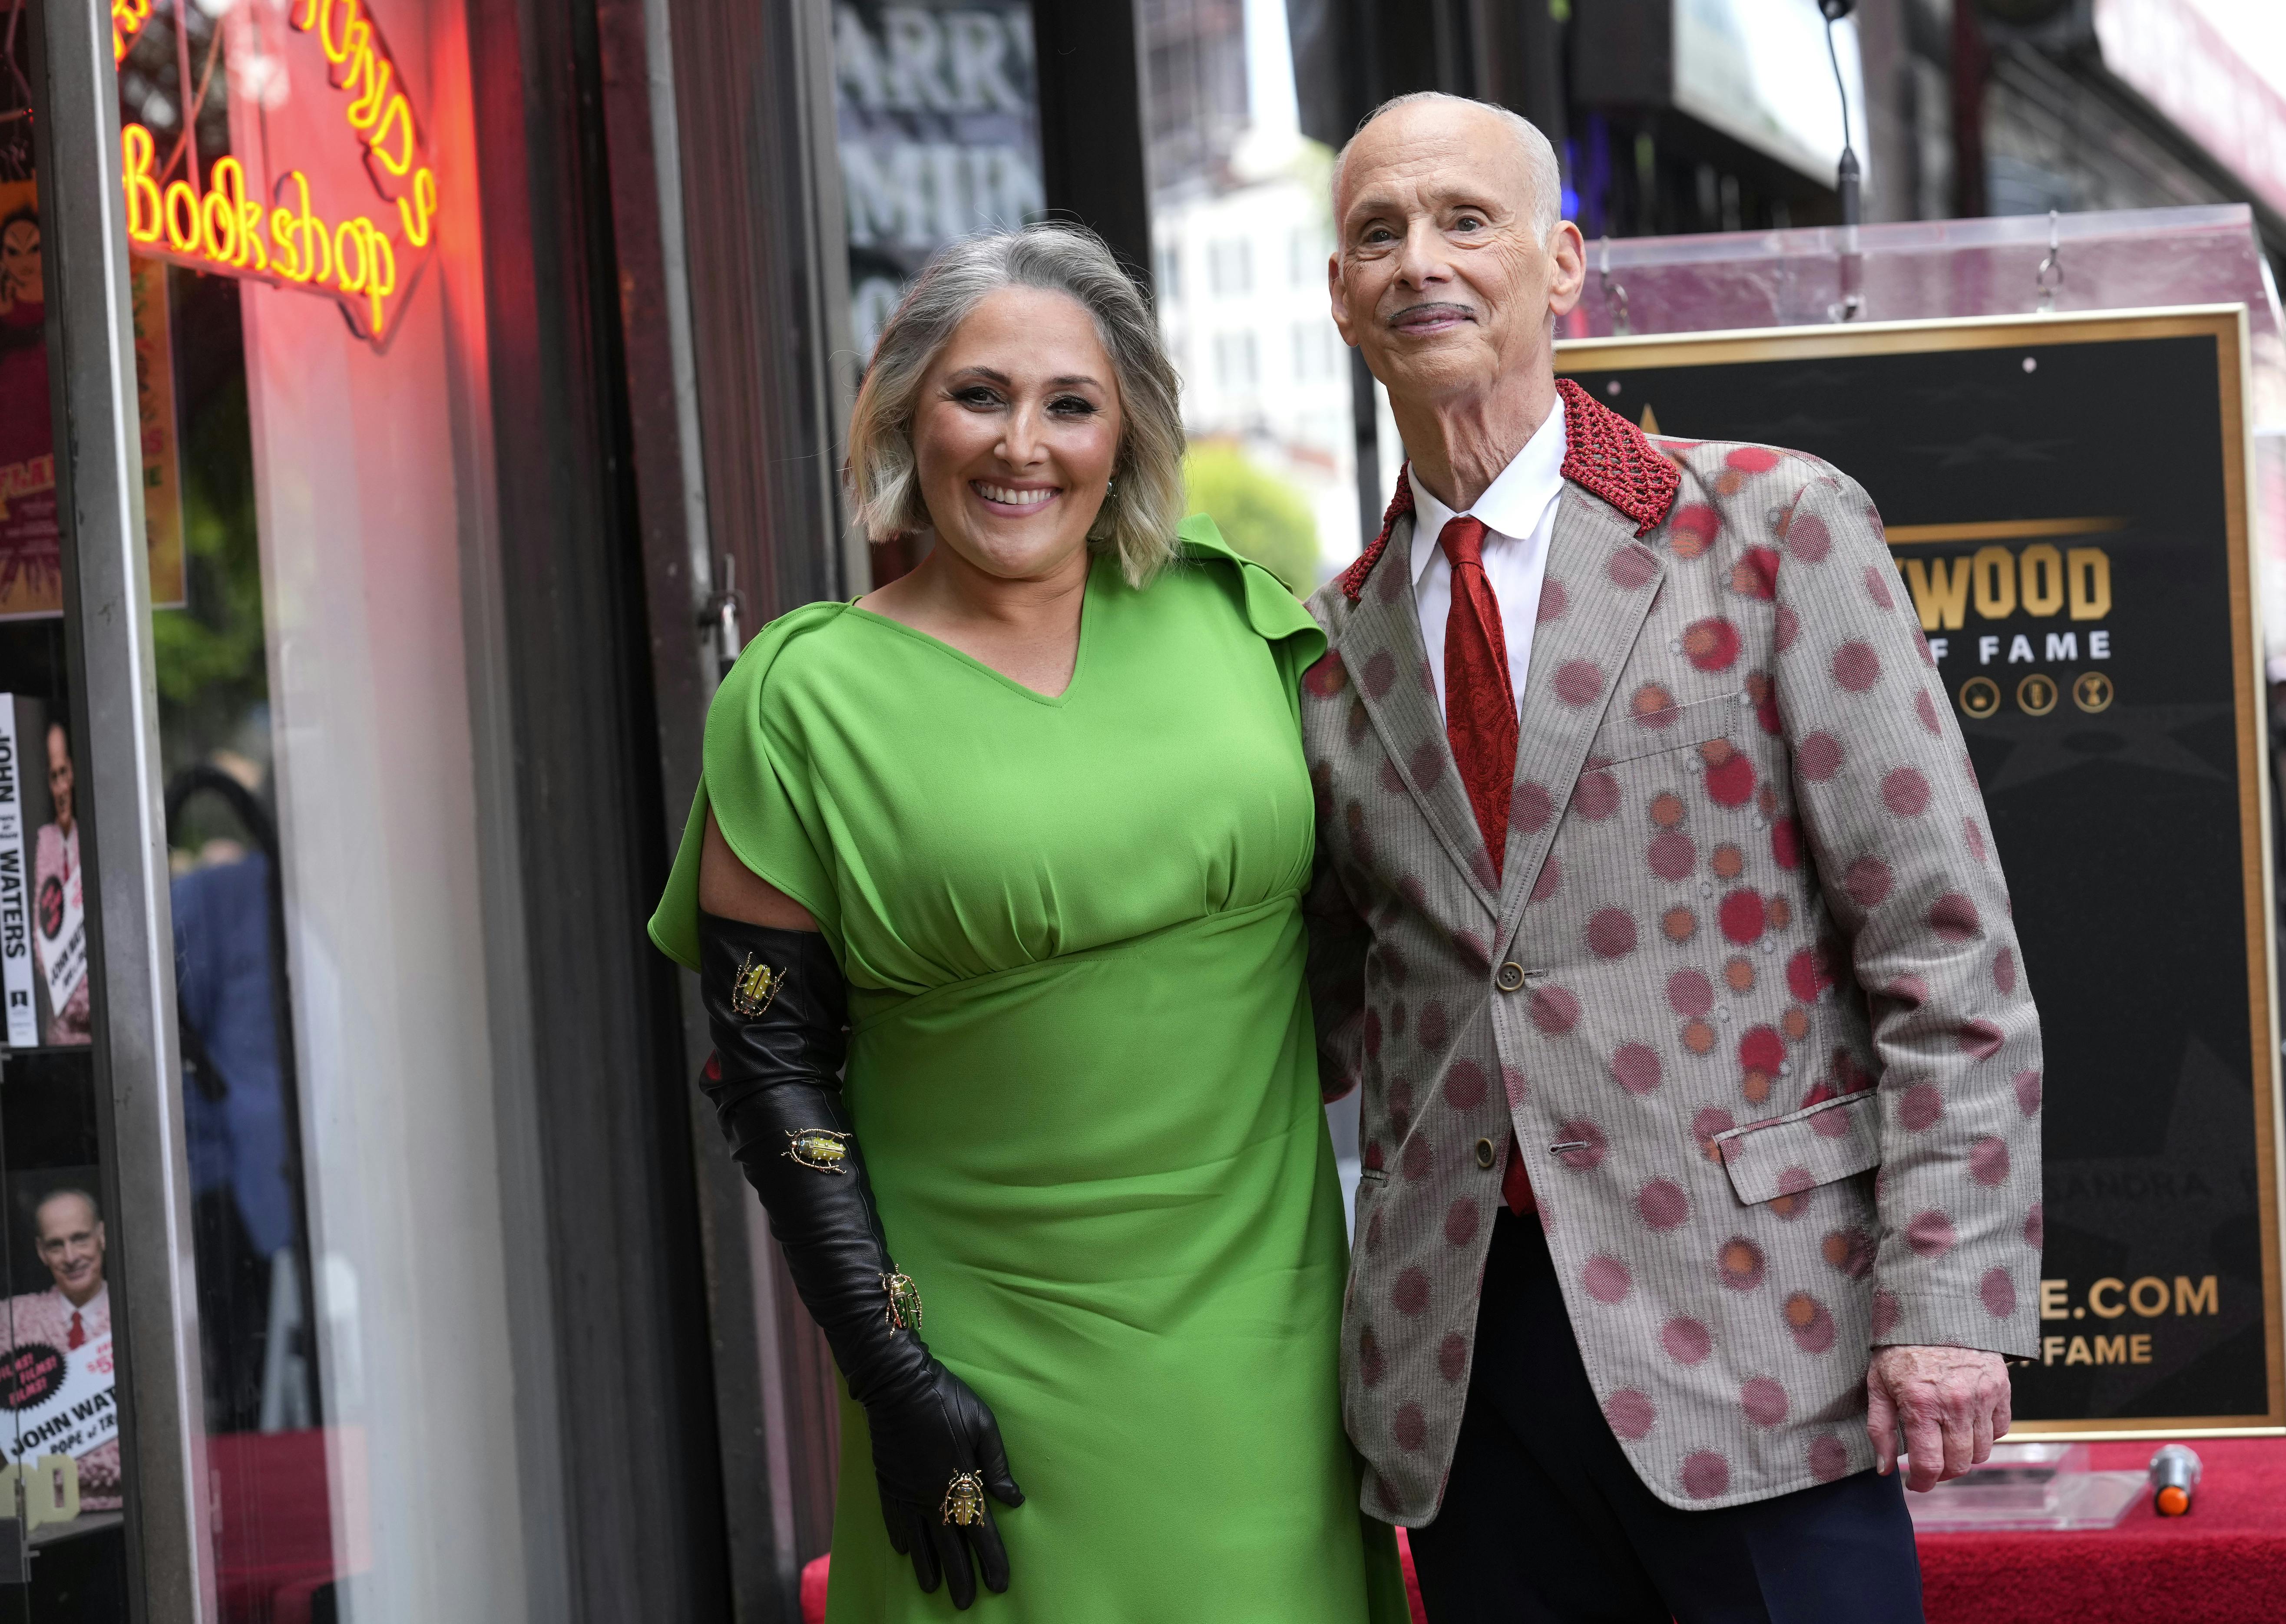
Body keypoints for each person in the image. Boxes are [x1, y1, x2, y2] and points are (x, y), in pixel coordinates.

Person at [1300, 92, 2042, 1622]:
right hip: (1465, 1372)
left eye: (1463, 220)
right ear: (1338, 295)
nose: (1418, 262)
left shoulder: (1771, 529)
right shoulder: (1326, 639)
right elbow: (1323, 1001)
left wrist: (1948, 1303)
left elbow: (1939, 943)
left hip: (1766, 1340)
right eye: (1376, 231)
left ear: (1563, 265)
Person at [647, 225, 1404, 1621]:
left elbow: (1391, 916)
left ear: (1128, 434)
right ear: (904, 413)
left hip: (1268, 1348)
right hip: (980, 1363)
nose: (1023, 446)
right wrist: (892, 1372)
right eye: (978, 394)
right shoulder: (801, 694)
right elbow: (768, 1069)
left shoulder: (1240, 622)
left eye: (1072, 404)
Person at [3, 1188, 117, 1509]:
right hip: (39, 1517)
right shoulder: (10, 1324)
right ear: (41, 1251)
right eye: (56, 1245)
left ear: (102, 1236)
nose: (70, 1257)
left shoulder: (139, 1319)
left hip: (133, 1513)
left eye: (80, 1238)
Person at [34, 721, 88, 1046]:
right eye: (54, 777)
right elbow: (43, 932)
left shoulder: (92, 837)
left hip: (102, 1024)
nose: (61, 787)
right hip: (63, 1031)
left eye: (64, 773)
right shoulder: (47, 840)